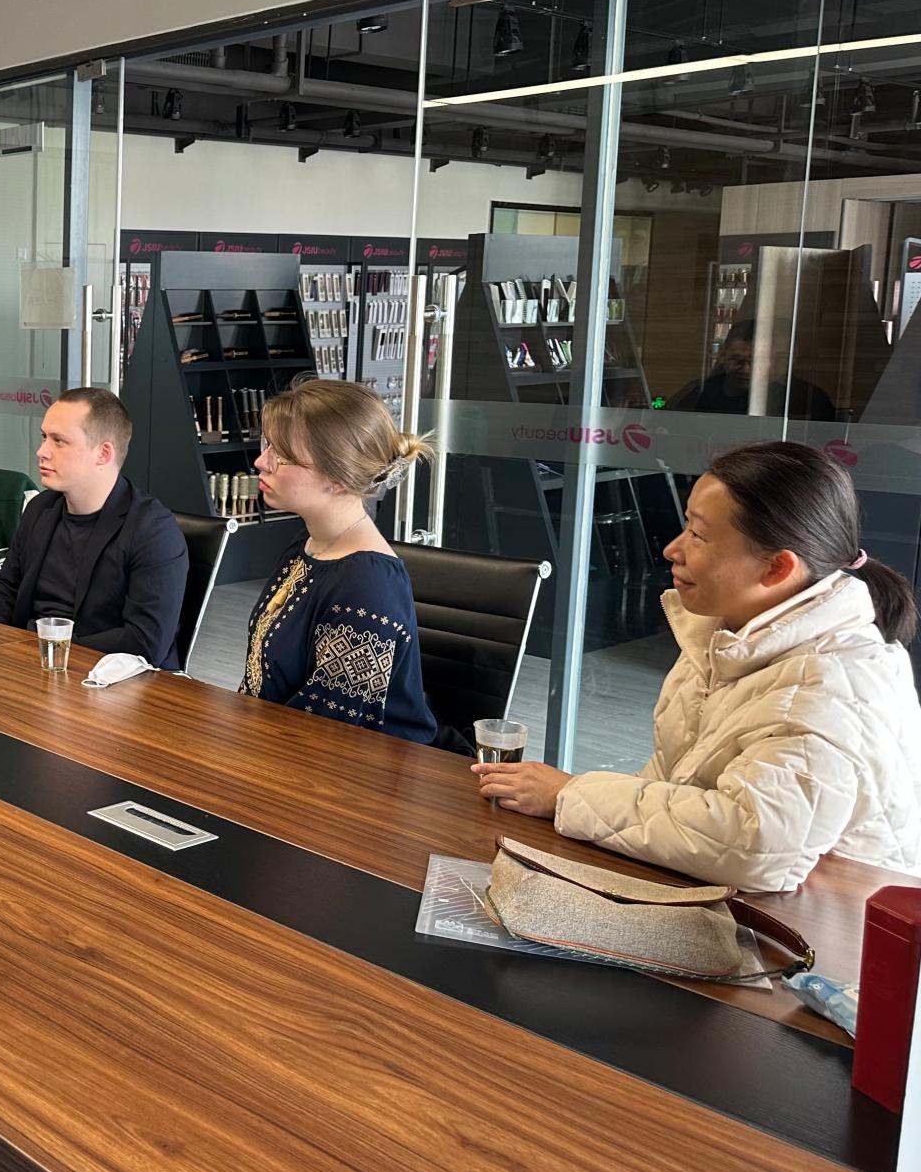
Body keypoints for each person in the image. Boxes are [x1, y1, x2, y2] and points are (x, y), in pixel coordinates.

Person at [474, 440, 921, 892]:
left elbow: (754, 846)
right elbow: (669, 787)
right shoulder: (726, 637)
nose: (673, 549)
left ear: (777, 569)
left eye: (699, 536)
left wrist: (569, 795)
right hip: (718, 897)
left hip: (823, 925)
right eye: (686, 525)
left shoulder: (835, 682)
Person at [239, 376, 437, 745]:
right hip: (277, 747)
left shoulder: (368, 584)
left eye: (282, 455)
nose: (261, 462)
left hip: (349, 769)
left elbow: (328, 732)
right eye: (268, 446)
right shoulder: (309, 542)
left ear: (338, 478)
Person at [0, 388, 188, 669]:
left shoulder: (153, 531)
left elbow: (145, 641)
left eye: (59, 441)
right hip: (29, 662)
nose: (42, 451)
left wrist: (48, 649)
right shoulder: (41, 508)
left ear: (103, 453)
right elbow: (4, 589)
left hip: (109, 679)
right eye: (44, 437)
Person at [670, 320, 837, 420]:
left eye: (756, 361)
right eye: (736, 359)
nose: (745, 369)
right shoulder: (700, 391)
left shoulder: (807, 398)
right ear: (722, 355)